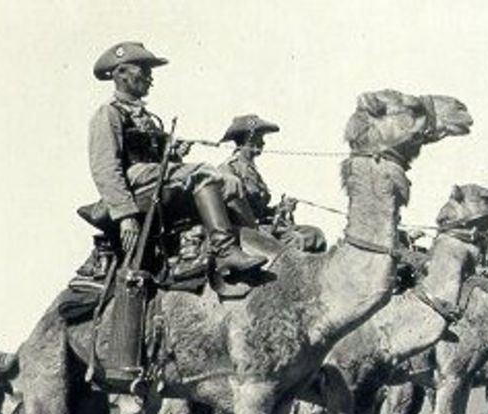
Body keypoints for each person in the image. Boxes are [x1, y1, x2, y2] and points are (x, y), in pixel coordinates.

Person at [77, 41, 265, 282]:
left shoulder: (145, 117)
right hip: (135, 182)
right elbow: (105, 168)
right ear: (121, 73)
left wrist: (174, 152)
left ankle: (256, 240)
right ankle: (225, 250)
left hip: (153, 177)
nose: (150, 77)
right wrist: (125, 215)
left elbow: (161, 161)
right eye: (143, 70)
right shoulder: (108, 113)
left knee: (227, 181)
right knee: (205, 173)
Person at [217, 114, 325, 252]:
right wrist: (255, 228)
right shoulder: (229, 169)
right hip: (248, 232)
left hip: (267, 226)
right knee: (295, 239)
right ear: (248, 139)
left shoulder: (251, 170)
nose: (263, 143)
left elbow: (262, 210)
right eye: (259, 138)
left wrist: (281, 209)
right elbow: (234, 207)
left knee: (315, 235)